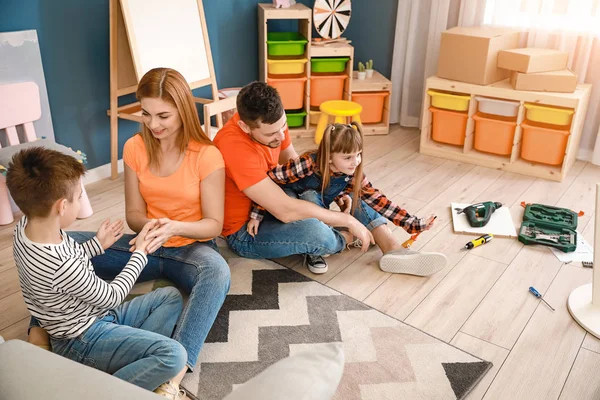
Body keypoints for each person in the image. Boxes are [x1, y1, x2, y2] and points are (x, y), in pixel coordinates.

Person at [27, 67, 231, 381]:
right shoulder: (135, 148)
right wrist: (149, 230)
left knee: (218, 272)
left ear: (184, 110)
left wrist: (173, 227)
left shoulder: (207, 155)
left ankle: (176, 373)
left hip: (190, 248)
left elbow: (213, 224)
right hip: (143, 246)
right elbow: (134, 215)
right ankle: (40, 332)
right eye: (146, 114)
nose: (153, 124)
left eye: (163, 116)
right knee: (56, 244)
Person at [7, 147, 188, 398]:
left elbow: (65, 265)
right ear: (61, 207)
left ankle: (132, 357)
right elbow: (112, 295)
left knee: (169, 296)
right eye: (79, 196)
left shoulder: (25, 229)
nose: (81, 199)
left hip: (93, 317)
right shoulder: (61, 265)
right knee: (175, 355)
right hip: (82, 339)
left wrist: (96, 245)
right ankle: (104, 390)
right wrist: (141, 252)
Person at [247, 122, 447, 275]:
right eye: (348, 157)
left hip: (322, 208)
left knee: (359, 194)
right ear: (329, 156)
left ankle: (392, 249)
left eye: (358, 154)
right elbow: (271, 180)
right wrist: (257, 214)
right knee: (309, 195)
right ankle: (316, 247)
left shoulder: (352, 172)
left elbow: (379, 200)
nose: (356, 162)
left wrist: (414, 224)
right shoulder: (307, 163)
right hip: (294, 207)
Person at [214, 81, 374, 272]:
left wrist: (336, 190)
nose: (281, 137)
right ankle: (346, 238)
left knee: (346, 180)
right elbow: (285, 211)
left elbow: (294, 165)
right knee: (315, 232)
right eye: (272, 134)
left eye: (283, 126)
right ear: (245, 126)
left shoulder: (274, 122)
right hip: (245, 231)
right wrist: (347, 221)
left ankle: (384, 236)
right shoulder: (233, 146)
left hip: (275, 199)